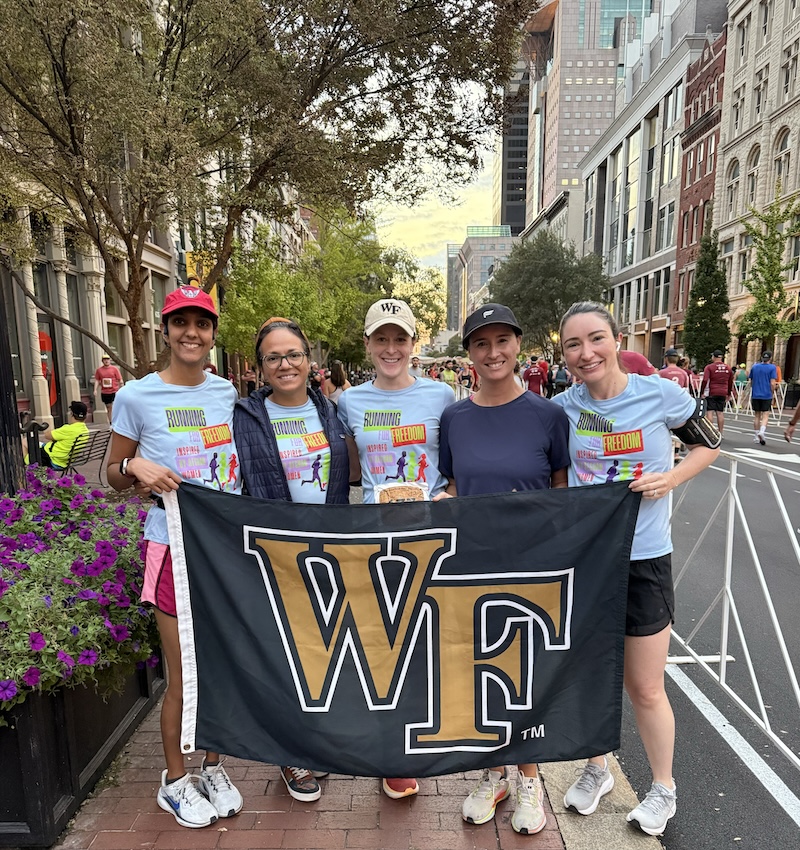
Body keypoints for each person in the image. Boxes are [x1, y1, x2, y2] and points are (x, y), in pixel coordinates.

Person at [552, 302, 719, 837]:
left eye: (596, 339)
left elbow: (709, 444)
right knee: (590, 674)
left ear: (618, 341)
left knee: (645, 686)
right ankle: (597, 768)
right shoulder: (561, 409)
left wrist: (671, 478)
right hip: (588, 560)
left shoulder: (659, 394)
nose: (586, 353)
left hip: (645, 558)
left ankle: (664, 788)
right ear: (564, 354)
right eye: (573, 344)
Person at [106, 286, 243, 829]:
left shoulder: (226, 392)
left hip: (222, 547)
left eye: (201, 323)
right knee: (183, 671)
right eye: (180, 322)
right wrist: (133, 467)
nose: (191, 332)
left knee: (220, 665)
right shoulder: (136, 397)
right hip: (171, 547)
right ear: (165, 330)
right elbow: (111, 474)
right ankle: (175, 779)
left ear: (213, 334)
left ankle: (213, 766)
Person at [436, 304, 570, 836]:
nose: (493, 353)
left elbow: (561, 492)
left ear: (518, 344)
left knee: (524, 676)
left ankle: (530, 779)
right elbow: (453, 487)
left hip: (531, 566)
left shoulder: (548, 415)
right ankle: (493, 775)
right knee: (480, 674)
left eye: (502, 341)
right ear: (469, 353)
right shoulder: (454, 418)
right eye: (481, 343)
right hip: (471, 567)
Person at [233, 317, 357, 802]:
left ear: (310, 361)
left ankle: (314, 740)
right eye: (273, 357)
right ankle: (289, 752)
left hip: (327, 552)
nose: (285, 364)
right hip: (273, 553)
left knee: (318, 650)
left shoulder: (332, 412)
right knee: (281, 654)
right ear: (260, 366)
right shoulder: (243, 417)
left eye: (293, 355)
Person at [337, 297, 454, 800]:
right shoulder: (348, 402)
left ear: (413, 344)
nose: (391, 348)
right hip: (376, 541)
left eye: (400, 339)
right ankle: (392, 753)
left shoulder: (442, 396)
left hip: (432, 537)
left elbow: (458, 461)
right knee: (383, 646)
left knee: (429, 643)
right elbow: (341, 465)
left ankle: (423, 734)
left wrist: (450, 495)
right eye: (381, 338)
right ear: (367, 344)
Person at [39, 401, 90, 469]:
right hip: (66, 460)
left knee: (26, 442)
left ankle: (27, 473)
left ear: (72, 414)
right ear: (85, 416)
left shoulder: (68, 429)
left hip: (52, 459)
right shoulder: (85, 431)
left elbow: (47, 435)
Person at [700, 350, 733, 436]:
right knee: (720, 412)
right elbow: (730, 381)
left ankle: (710, 432)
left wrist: (702, 392)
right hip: (723, 392)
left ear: (714, 357)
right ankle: (720, 432)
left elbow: (705, 380)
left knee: (710, 412)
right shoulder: (728, 368)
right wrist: (728, 393)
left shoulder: (709, 367)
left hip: (712, 391)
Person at [749, 351, 777, 445]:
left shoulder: (755, 367)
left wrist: (754, 388)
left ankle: (756, 436)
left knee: (757, 415)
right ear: (770, 358)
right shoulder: (772, 368)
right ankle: (762, 431)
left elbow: (751, 380)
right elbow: (772, 382)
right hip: (766, 394)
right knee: (765, 414)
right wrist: (772, 392)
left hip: (756, 394)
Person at [93, 354, 124, 424]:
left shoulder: (114, 369)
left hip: (114, 390)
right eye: (105, 360)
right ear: (102, 361)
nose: (106, 361)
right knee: (108, 407)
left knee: (114, 406)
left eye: (107, 359)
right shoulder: (99, 370)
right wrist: (95, 390)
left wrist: (122, 387)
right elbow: (97, 380)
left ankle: (116, 421)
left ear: (110, 360)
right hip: (105, 392)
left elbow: (120, 379)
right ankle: (110, 422)